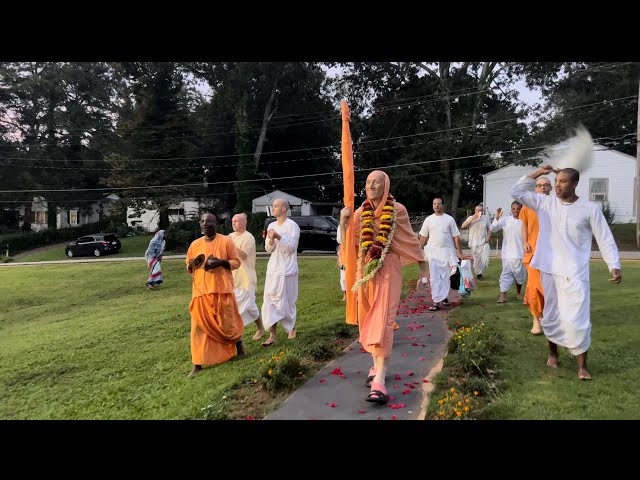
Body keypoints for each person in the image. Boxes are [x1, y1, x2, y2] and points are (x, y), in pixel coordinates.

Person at [512, 165, 621, 380]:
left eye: (562, 181)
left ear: (575, 184)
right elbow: (516, 192)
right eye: (556, 181)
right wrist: (538, 173)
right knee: (551, 315)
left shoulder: (590, 209)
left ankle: (582, 367)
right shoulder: (544, 203)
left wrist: (614, 264)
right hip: (549, 269)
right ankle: (553, 354)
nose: (557, 185)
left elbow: (605, 238)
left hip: (575, 272)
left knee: (578, 318)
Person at [341, 170, 428, 405]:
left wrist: (423, 272)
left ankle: (379, 381)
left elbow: (410, 239)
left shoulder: (397, 211)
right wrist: (344, 221)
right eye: (368, 182)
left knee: (384, 321)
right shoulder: (360, 213)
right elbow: (350, 243)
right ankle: (375, 365)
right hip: (366, 270)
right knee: (368, 318)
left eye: (376, 182)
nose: (371, 186)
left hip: (389, 268)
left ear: (385, 186)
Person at [185, 213, 244, 378]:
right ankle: (197, 364)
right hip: (200, 293)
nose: (205, 223)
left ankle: (240, 349)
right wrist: (192, 264)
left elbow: (236, 262)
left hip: (221, 290)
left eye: (209, 221)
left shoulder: (225, 241)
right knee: (198, 329)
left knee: (228, 323)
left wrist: (220, 262)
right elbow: (189, 265)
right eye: (202, 221)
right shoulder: (195, 245)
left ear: (215, 223)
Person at [261, 198, 300, 347]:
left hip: (287, 269)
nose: (273, 208)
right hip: (273, 269)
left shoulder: (292, 226)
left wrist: (278, 236)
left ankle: (291, 328)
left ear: (284, 209)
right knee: (270, 300)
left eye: (276, 206)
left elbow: (291, 248)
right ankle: (273, 335)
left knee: (287, 301)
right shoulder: (271, 225)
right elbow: (268, 249)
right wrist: (271, 241)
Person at [418, 198, 464, 311]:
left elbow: (456, 237)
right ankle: (436, 302)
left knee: (446, 277)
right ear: (432, 205)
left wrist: (459, 252)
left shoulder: (449, 219)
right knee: (434, 278)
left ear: (442, 205)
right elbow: (423, 236)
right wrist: (418, 250)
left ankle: (443, 297)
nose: (437, 206)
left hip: (447, 253)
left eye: (439, 204)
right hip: (433, 253)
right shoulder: (429, 220)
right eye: (435, 204)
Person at [519, 177, 552, 334]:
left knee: (549, 288)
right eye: (540, 186)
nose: (543, 188)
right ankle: (536, 320)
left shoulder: (556, 205)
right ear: (535, 189)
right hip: (532, 253)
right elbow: (524, 225)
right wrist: (524, 241)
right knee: (533, 287)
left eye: (546, 185)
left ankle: (546, 316)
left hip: (552, 255)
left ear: (551, 188)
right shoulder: (527, 206)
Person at [229, 213, 265, 341]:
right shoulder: (230, 236)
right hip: (232, 278)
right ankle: (235, 335)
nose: (234, 223)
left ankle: (260, 328)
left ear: (244, 223)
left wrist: (231, 245)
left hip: (246, 278)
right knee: (233, 308)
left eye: (237, 221)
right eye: (233, 221)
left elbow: (243, 256)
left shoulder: (248, 237)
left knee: (249, 306)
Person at [491, 201, 526, 303]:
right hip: (507, 254)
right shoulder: (506, 220)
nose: (516, 211)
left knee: (520, 276)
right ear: (511, 210)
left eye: (518, 209)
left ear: (522, 209)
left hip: (521, 254)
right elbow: (493, 229)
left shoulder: (525, 221)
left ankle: (519, 293)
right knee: (505, 275)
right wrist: (497, 217)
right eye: (514, 209)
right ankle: (503, 296)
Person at [460, 205, 491, 279]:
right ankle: (478, 274)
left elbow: (489, 228)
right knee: (476, 260)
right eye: (477, 210)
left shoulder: (486, 218)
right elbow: (463, 226)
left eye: (480, 210)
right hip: (473, 242)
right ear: (475, 211)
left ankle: (480, 271)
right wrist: (472, 219)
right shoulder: (471, 217)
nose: (478, 212)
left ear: (482, 211)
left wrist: (488, 237)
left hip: (483, 242)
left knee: (485, 259)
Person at [336, 223, 347, 301]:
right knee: (343, 277)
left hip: (354, 250)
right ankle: (345, 295)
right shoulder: (340, 226)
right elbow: (339, 240)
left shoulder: (356, 224)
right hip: (343, 252)